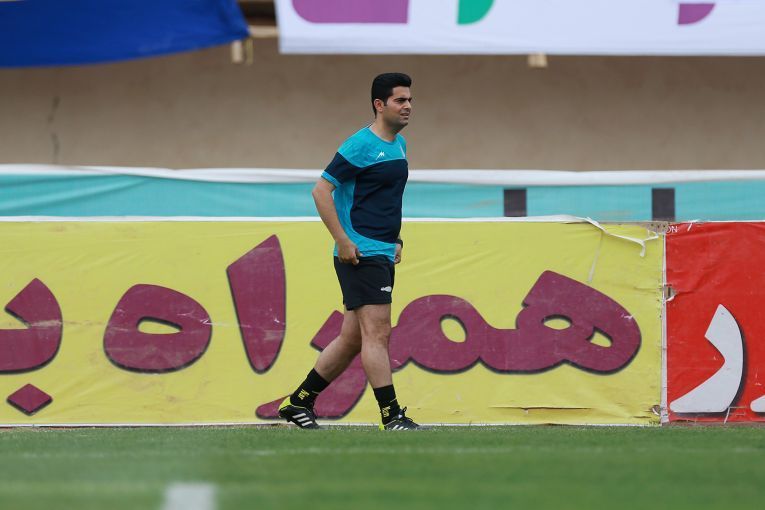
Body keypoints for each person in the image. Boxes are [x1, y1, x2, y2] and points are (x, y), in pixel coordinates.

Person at [278, 73, 420, 430]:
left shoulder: (399, 145)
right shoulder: (359, 145)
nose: (407, 106)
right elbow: (321, 191)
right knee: (378, 334)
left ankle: (299, 402)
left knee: (353, 338)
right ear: (379, 105)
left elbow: (386, 201)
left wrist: (397, 239)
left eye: (409, 100)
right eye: (400, 100)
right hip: (361, 253)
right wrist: (342, 240)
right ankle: (391, 416)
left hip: (381, 250)